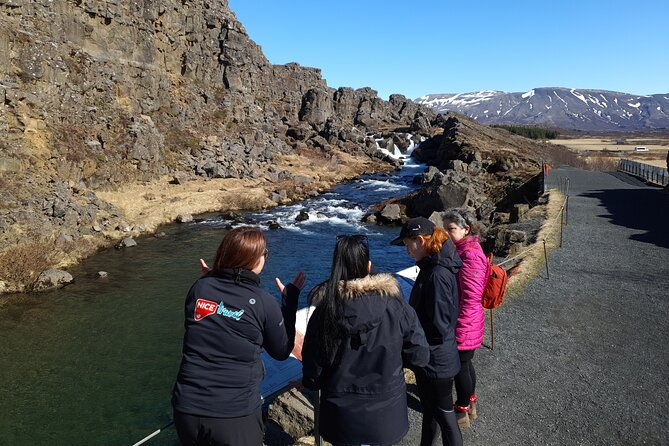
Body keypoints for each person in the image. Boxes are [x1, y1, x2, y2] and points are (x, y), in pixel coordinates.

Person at [172, 226, 306, 446]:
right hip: (233, 414)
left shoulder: (199, 288)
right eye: (265, 253)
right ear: (255, 259)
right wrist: (289, 302)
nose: (266, 257)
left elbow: (216, 311)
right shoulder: (263, 302)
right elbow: (282, 351)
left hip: (186, 408)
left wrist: (214, 278)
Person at [301, 235, 429, 446]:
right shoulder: (395, 306)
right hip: (386, 413)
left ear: (336, 269)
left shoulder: (326, 312)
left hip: (341, 417)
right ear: (368, 266)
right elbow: (420, 355)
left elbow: (313, 370)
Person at [391, 217, 463, 446]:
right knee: (432, 411)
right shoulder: (434, 266)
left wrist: (411, 329)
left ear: (420, 240)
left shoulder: (437, 274)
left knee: (445, 416)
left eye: (407, 244)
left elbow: (439, 325)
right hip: (436, 355)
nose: (406, 250)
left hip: (436, 358)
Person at [442, 208, 488, 428]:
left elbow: (470, 295)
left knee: (460, 366)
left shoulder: (469, 254)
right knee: (466, 363)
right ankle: (471, 402)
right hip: (466, 319)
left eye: (451, 228)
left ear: (465, 229)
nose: (446, 233)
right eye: (445, 229)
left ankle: (461, 411)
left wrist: (456, 323)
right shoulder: (462, 249)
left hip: (465, 320)